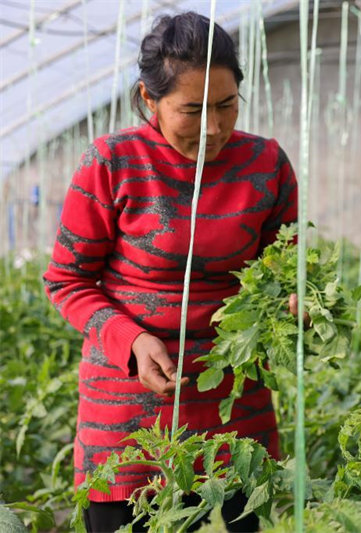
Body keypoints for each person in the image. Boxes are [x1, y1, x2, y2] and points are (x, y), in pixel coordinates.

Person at [43, 12, 297, 532]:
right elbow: (66, 280)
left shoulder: (264, 163)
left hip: (233, 409)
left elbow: (286, 272)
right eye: (193, 109)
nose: (213, 127)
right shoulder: (113, 162)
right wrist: (131, 341)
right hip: (129, 414)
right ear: (148, 99)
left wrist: (297, 306)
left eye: (226, 106)